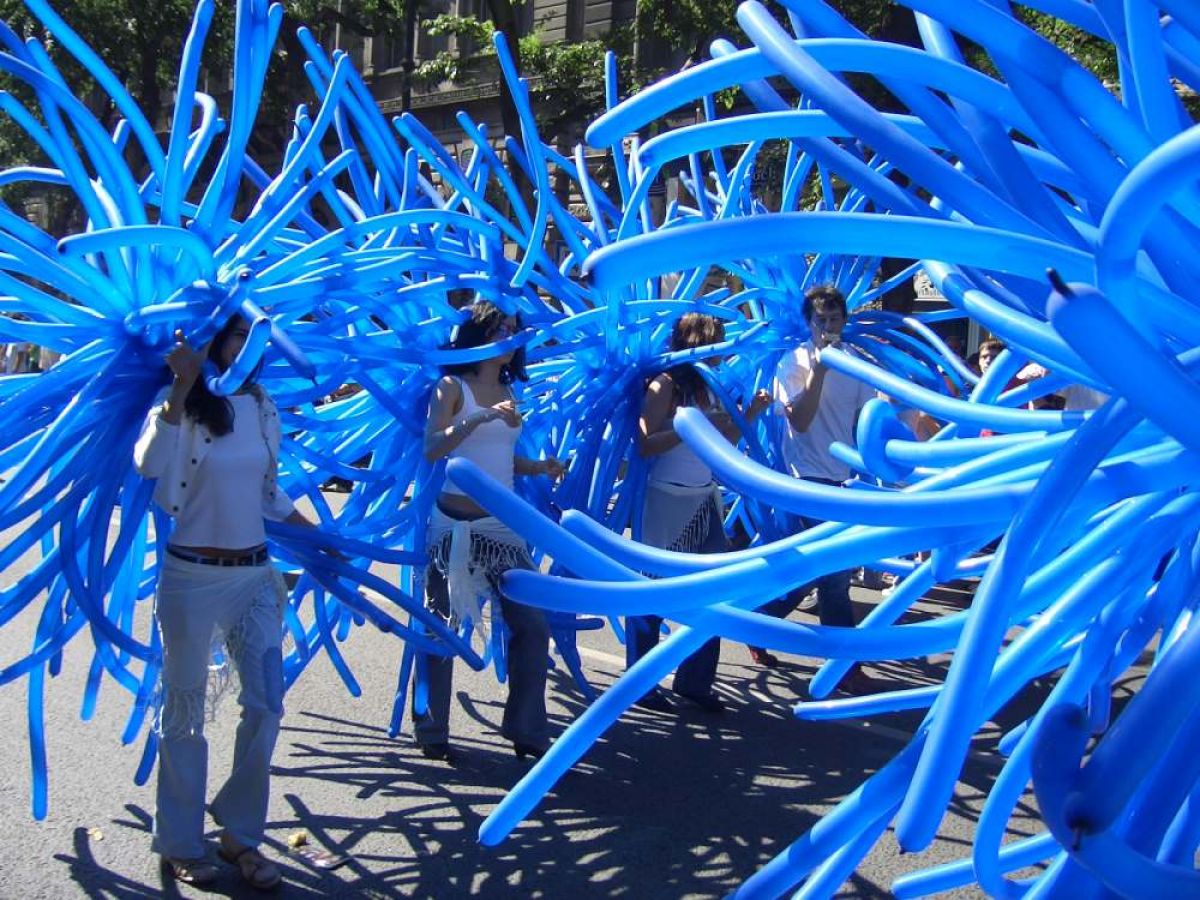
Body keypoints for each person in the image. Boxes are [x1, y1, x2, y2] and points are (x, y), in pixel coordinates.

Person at [133, 316, 319, 889]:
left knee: (265, 706)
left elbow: (268, 494)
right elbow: (149, 465)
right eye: (236, 334)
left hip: (257, 577)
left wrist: (318, 542)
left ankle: (240, 835)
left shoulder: (262, 406)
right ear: (215, 342)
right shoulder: (178, 404)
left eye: (254, 336)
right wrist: (183, 388)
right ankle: (182, 842)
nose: (248, 345)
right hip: (191, 577)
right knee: (185, 714)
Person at [416, 300, 564, 761]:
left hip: (502, 525)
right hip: (454, 525)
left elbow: (500, 459)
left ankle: (526, 729)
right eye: (503, 326)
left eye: (515, 329)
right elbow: (433, 449)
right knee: (441, 625)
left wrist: (539, 466)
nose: (511, 335)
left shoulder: (507, 388)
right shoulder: (451, 386)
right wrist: (477, 417)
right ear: (481, 332)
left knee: (532, 624)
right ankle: (432, 728)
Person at [630, 312, 771, 713]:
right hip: (666, 498)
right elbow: (644, 444)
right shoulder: (666, 385)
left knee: (715, 594)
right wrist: (687, 425)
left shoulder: (713, 386)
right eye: (710, 342)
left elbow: (719, 445)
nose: (717, 351)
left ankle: (695, 682)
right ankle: (641, 682)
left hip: (704, 496)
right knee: (653, 593)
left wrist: (751, 415)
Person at [771, 285, 876, 688]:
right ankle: (843, 666)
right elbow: (799, 419)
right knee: (835, 573)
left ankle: (759, 620)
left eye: (835, 319)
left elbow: (867, 417)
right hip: (806, 478)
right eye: (821, 321)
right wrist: (820, 370)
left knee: (812, 573)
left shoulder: (856, 364)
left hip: (844, 478)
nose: (828, 327)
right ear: (808, 323)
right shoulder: (793, 361)